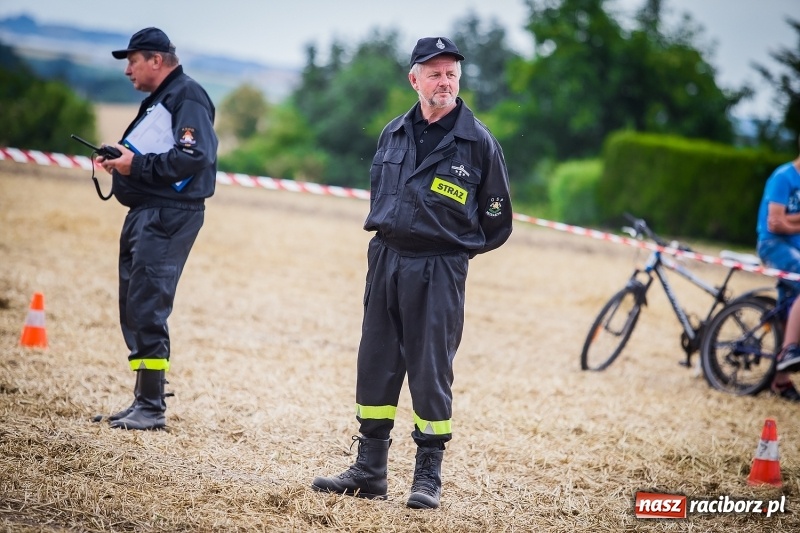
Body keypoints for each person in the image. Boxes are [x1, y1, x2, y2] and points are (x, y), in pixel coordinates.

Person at [311, 37, 513, 509]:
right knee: (376, 361)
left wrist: (453, 252)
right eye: (435, 73)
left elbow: (498, 222)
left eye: (451, 73)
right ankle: (369, 471)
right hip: (386, 259)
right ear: (414, 79)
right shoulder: (393, 132)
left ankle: (427, 477)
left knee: (430, 369)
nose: (444, 82)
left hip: (440, 269)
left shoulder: (479, 143)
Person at [96, 27, 218, 429]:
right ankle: (143, 400)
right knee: (135, 304)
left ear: (156, 60)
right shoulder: (164, 98)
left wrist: (136, 164)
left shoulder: (187, 95)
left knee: (147, 305)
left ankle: (151, 408)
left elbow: (194, 155)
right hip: (148, 210)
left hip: (169, 213)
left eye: (133, 61)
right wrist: (121, 158)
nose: (127, 70)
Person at [756, 135, 800, 402]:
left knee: (790, 305)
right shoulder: (783, 177)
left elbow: (785, 221)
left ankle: (780, 380)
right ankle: (789, 349)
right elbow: (775, 223)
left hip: (795, 249)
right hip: (773, 245)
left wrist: (791, 220)